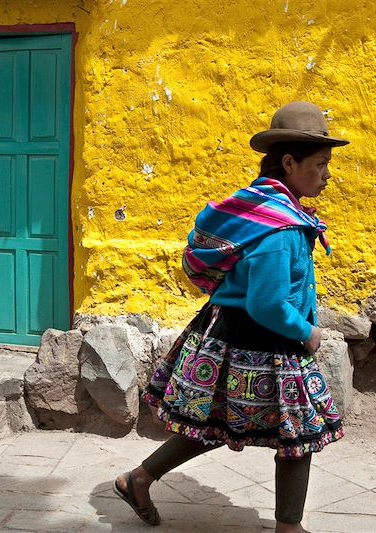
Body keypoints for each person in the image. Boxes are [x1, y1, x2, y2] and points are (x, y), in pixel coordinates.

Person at [112, 102, 349, 533]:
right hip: (264, 341)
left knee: (212, 420)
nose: (327, 175)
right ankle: (289, 528)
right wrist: (308, 331)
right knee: (299, 432)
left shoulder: (259, 210)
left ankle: (139, 479)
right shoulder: (280, 229)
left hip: (226, 335)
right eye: (321, 164)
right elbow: (268, 305)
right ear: (290, 163)